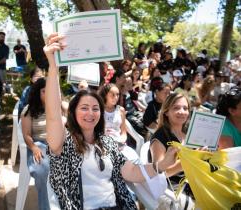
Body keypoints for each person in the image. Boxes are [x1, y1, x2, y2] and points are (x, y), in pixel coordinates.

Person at [44, 33, 178, 209]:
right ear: (73, 113)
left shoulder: (107, 143)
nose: (90, 113)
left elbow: (131, 172)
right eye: (84, 108)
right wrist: (52, 65)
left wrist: (162, 165)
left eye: (95, 108)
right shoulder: (62, 143)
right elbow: (53, 114)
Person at [149, 93, 193, 200]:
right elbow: (160, 173)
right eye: (176, 108)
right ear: (166, 112)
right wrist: (188, 161)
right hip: (174, 190)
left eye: (185, 108)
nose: (182, 112)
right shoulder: (160, 137)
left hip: (192, 180)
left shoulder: (188, 132)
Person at [20, 78, 50, 210]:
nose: (48, 93)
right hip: (38, 144)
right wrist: (34, 147)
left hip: (57, 144)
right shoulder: (29, 110)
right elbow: (26, 135)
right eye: (44, 91)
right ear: (38, 92)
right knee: (42, 171)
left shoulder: (56, 106)